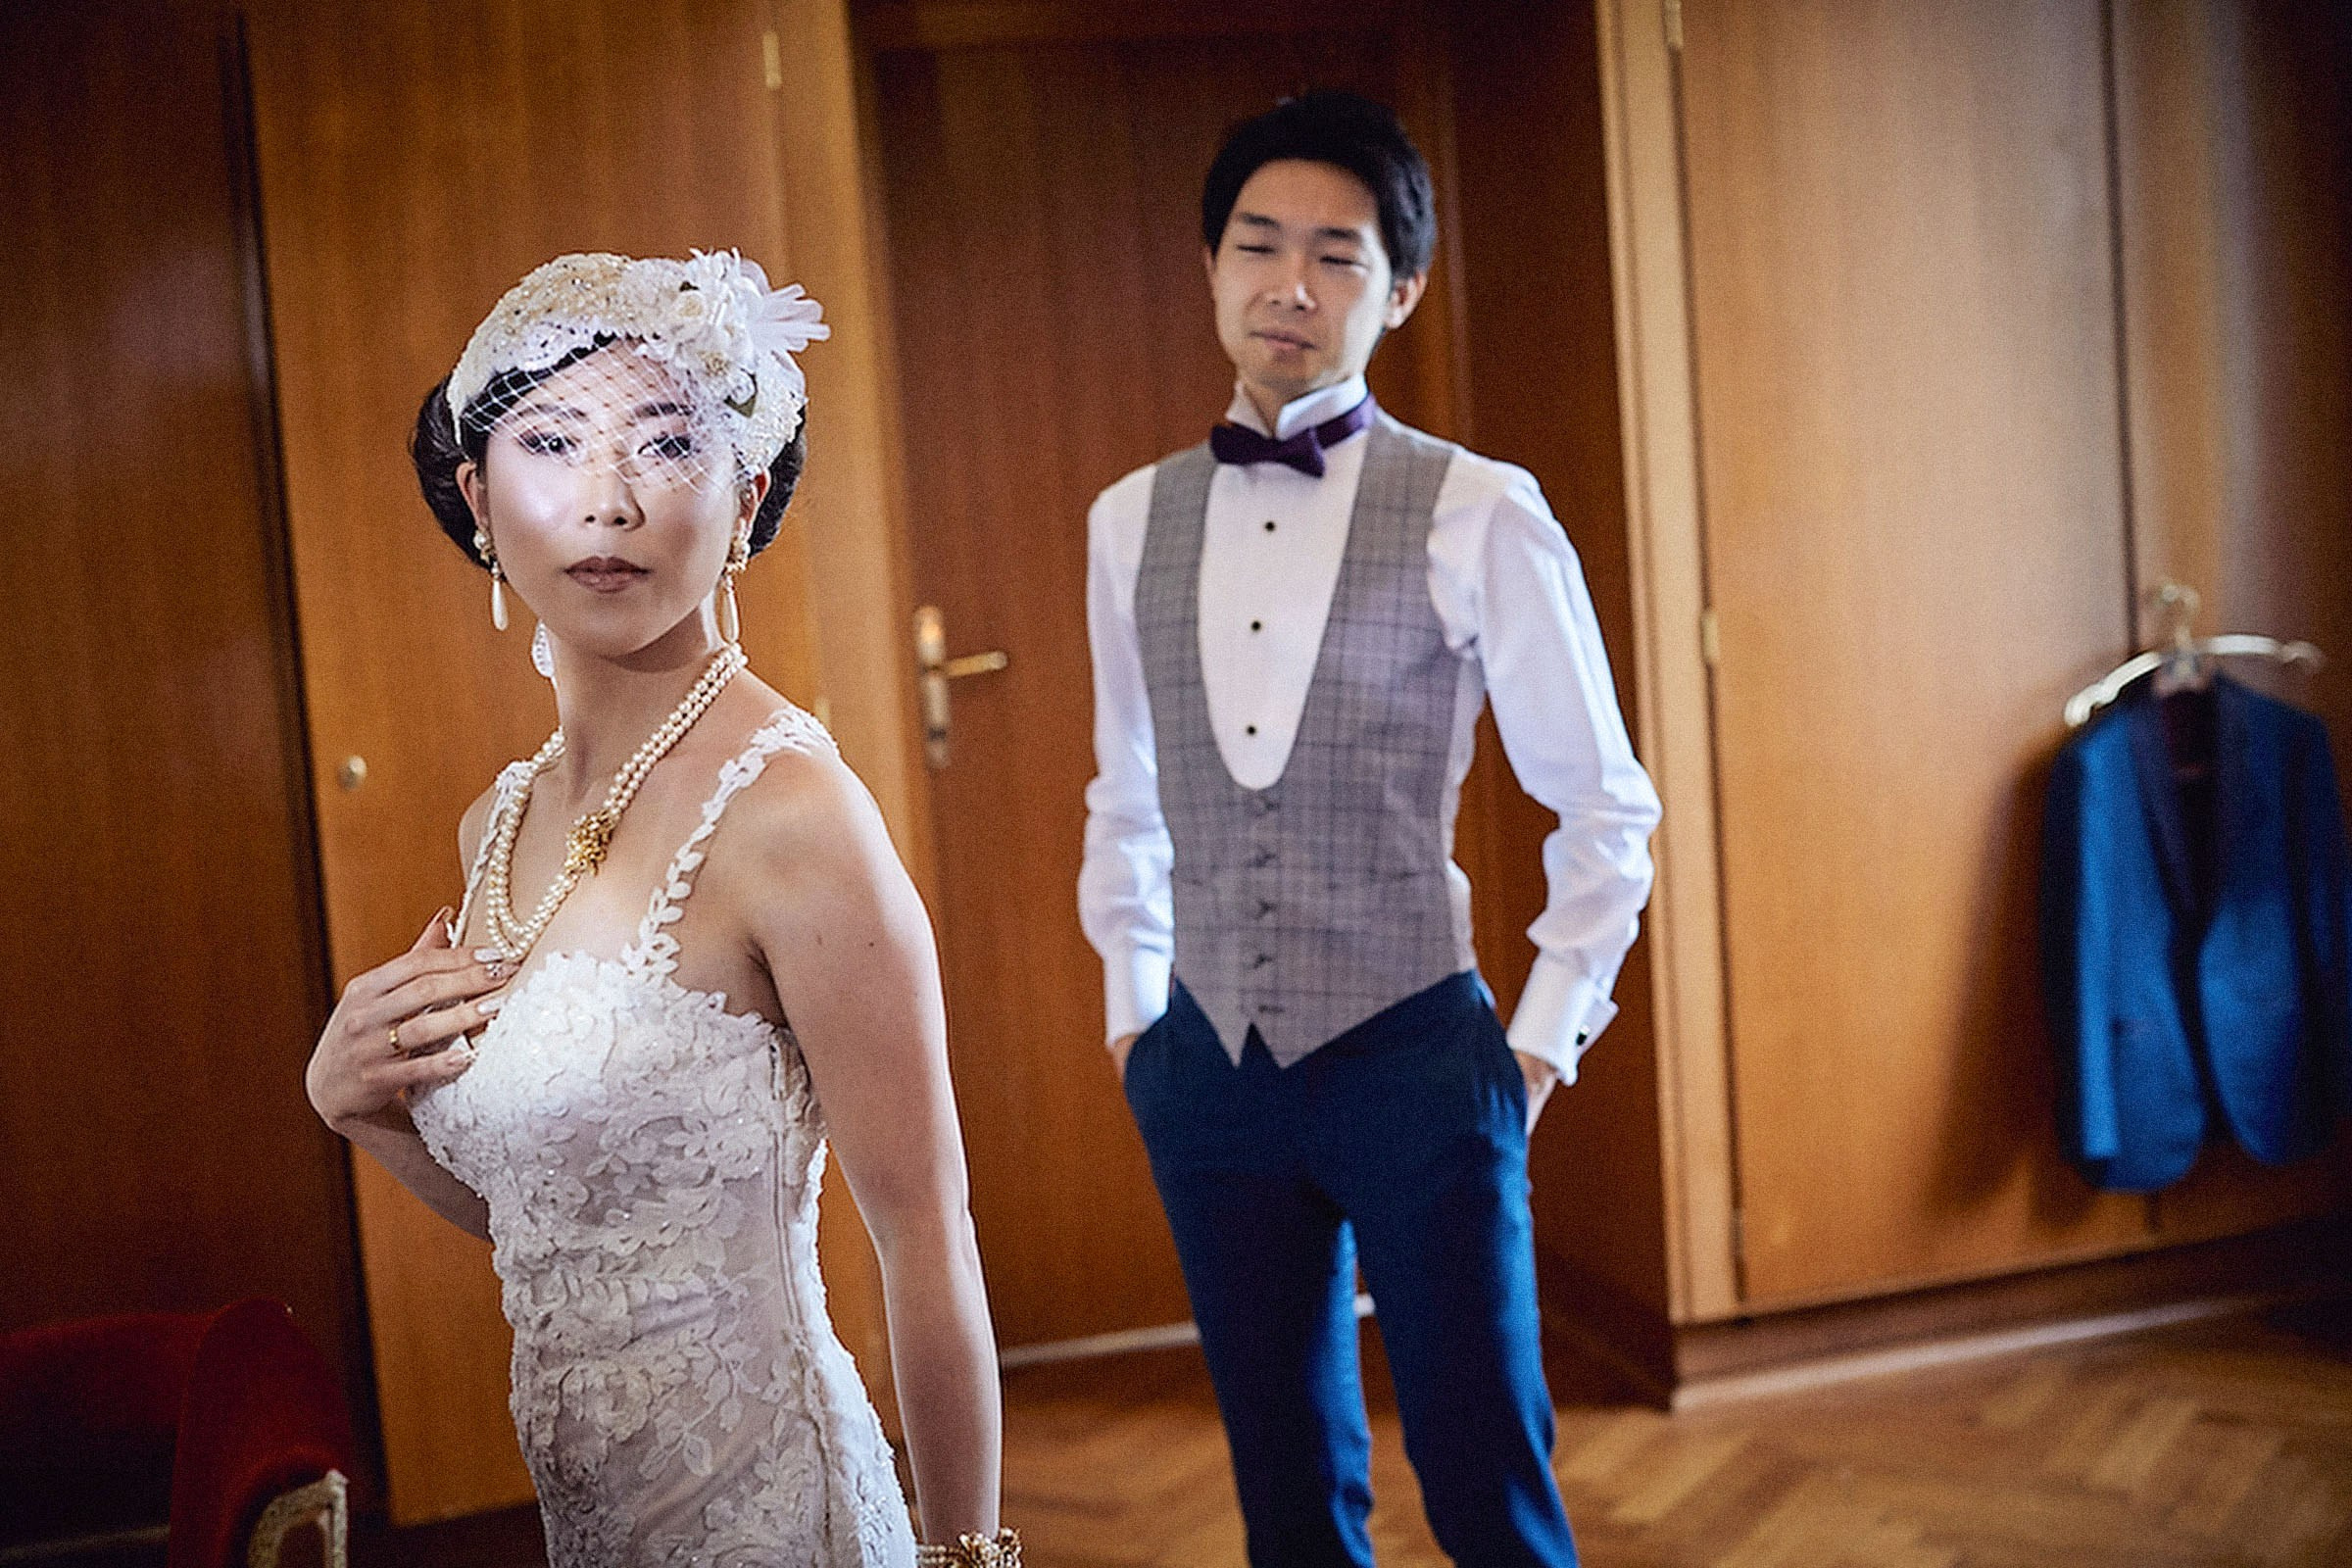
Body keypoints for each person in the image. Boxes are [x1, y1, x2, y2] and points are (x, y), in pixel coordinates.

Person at [304, 251, 1016, 1568]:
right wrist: (359, 1109)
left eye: (666, 441)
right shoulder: (497, 823)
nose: (609, 501)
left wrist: (966, 1554)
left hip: (777, 1514)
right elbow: (562, 1216)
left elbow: (926, 1234)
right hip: (596, 1526)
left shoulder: (799, 816)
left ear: (745, 498)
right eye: (554, 443)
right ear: (475, 499)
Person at [1080, 93, 1661, 1565]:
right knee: (1287, 1493)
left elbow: (1604, 806)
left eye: (1336, 256)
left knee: (1489, 1483)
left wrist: (1533, 1046)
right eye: (1257, 246)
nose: (1290, 285)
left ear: (1399, 288)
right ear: (1210, 266)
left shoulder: (1483, 510)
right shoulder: (1126, 522)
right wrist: (1135, 1023)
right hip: (1206, 1068)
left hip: (1421, 1056)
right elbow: (1127, 790)